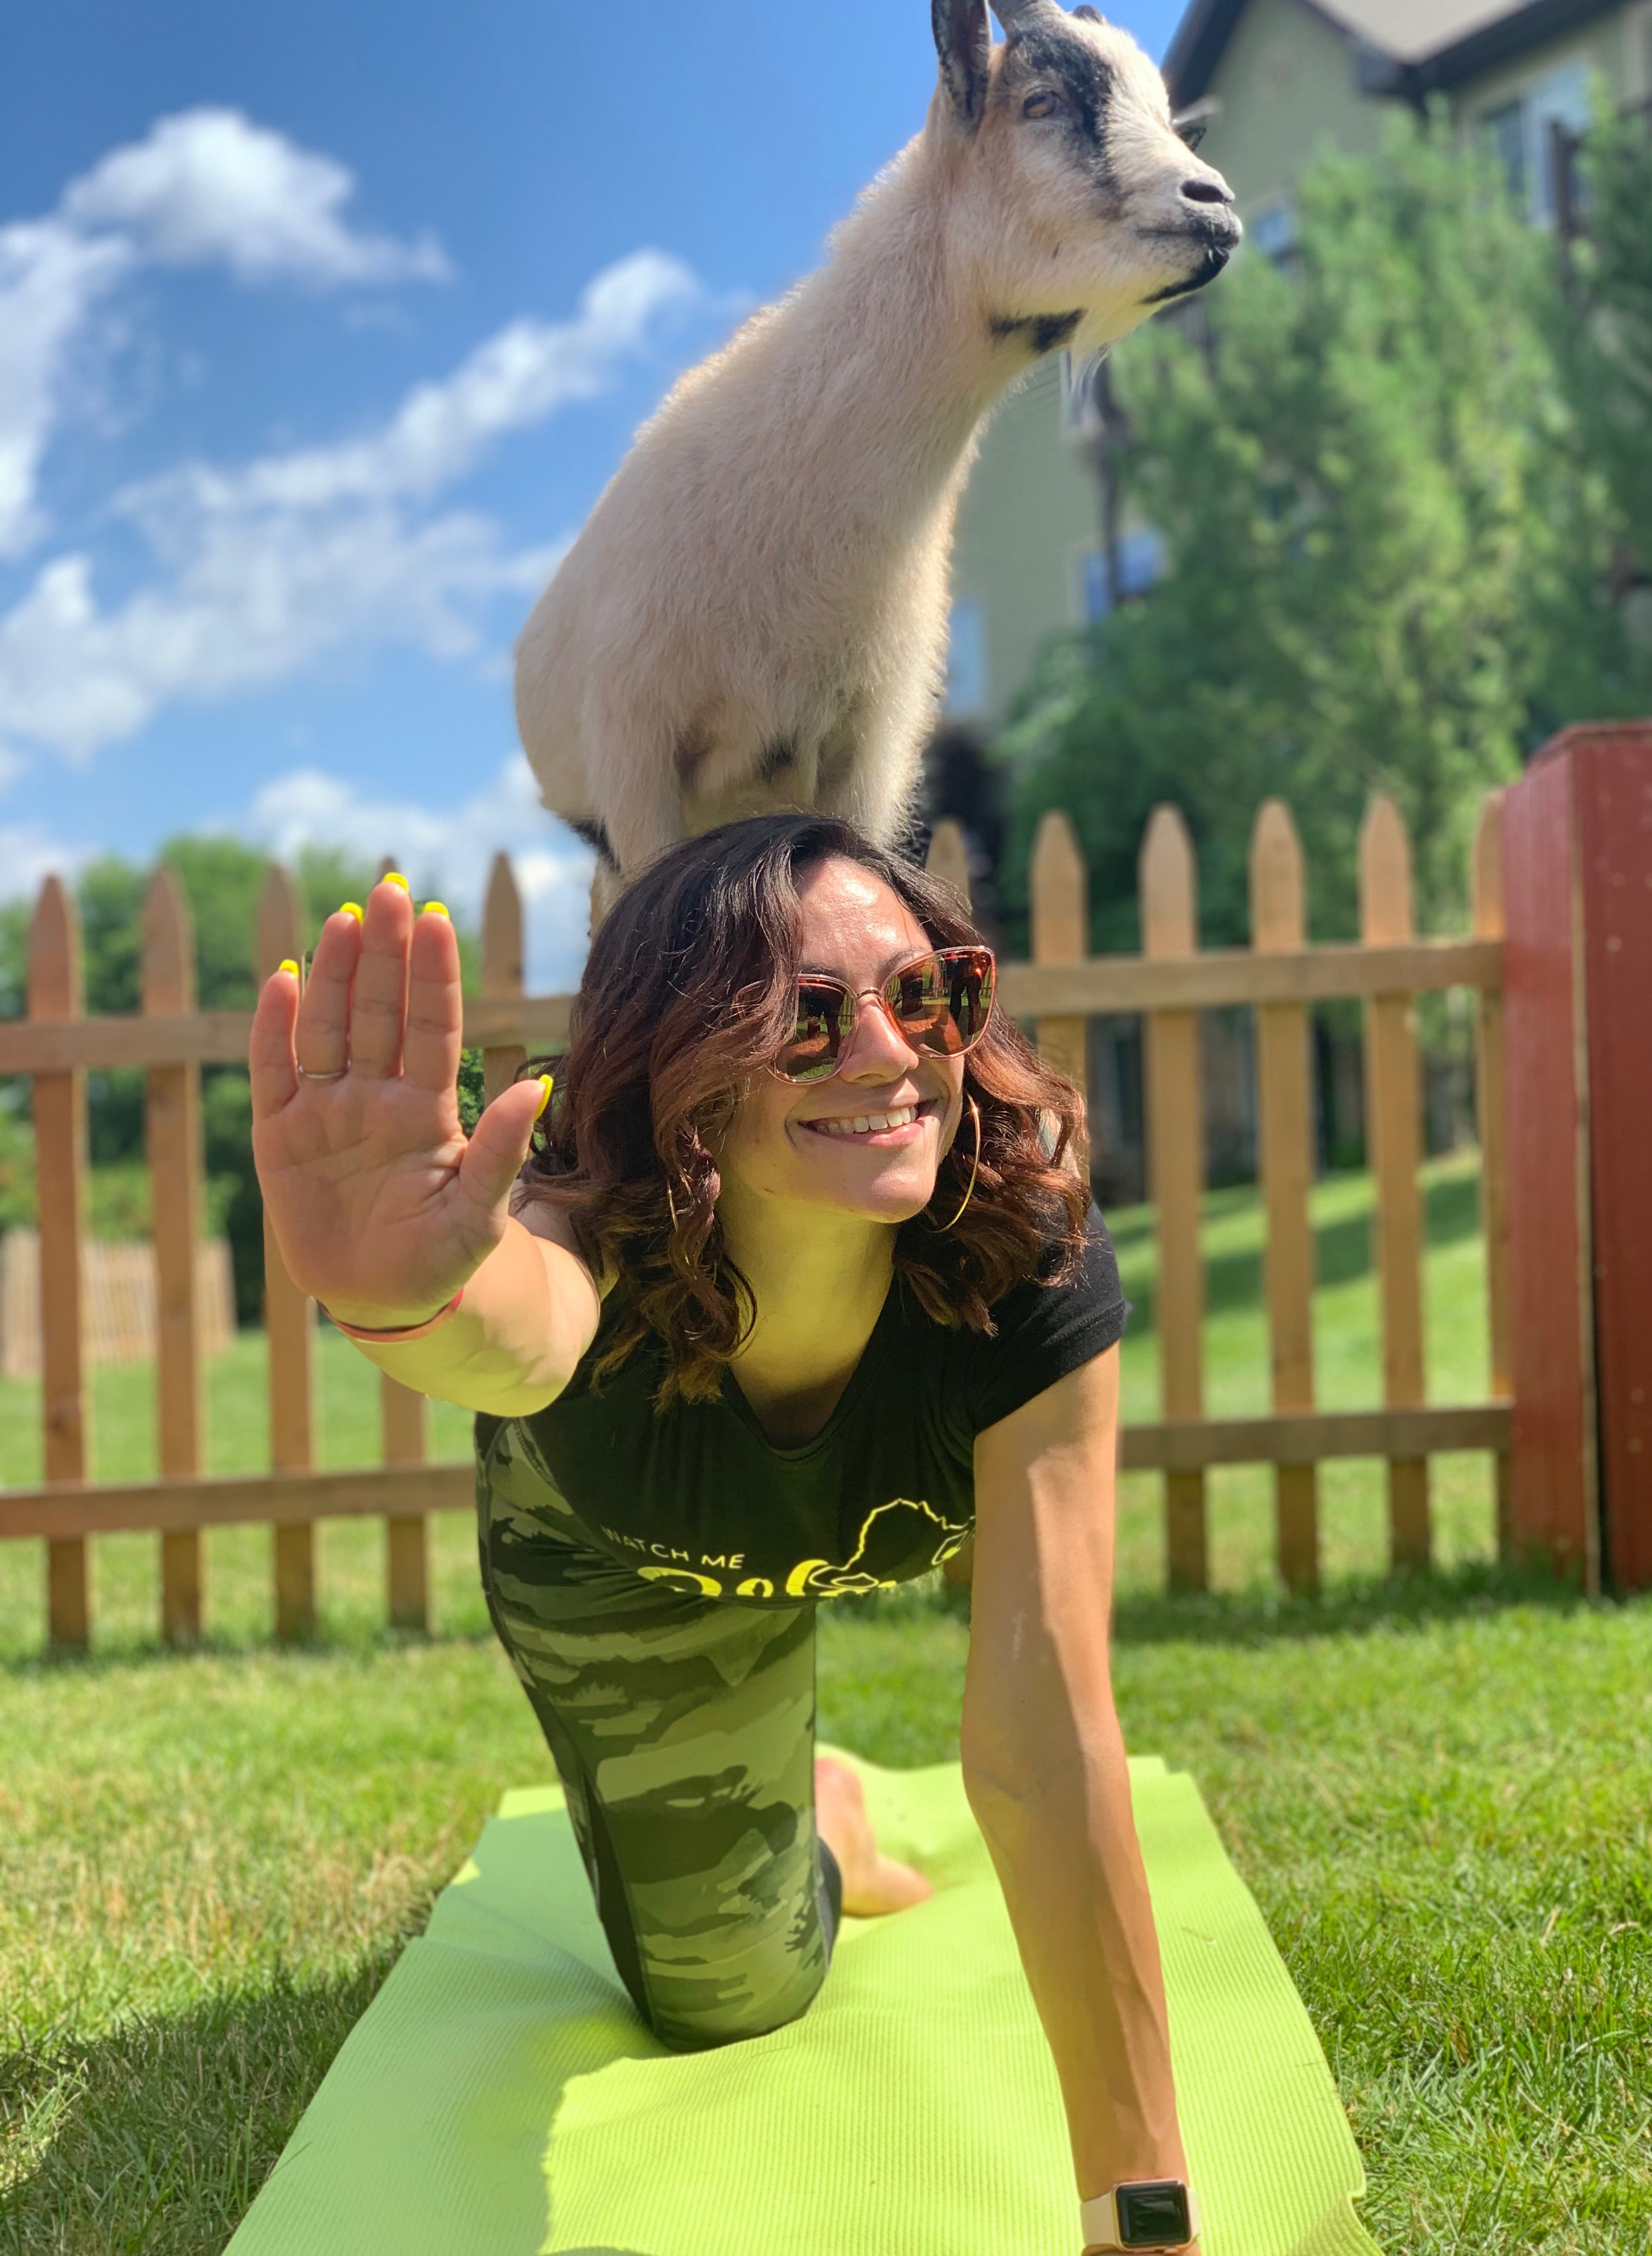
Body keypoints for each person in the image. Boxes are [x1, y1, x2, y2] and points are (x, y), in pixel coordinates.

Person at [249, 813, 1201, 2256]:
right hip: (626, 1557)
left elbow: (1047, 1730)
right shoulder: (588, 1208)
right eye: (805, 1020)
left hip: (799, 1528)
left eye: (925, 991)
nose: (888, 1054)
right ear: (682, 1059)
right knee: (723, 2000)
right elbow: (513, 1329)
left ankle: (797, 1780)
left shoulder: (1021, 1232)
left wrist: (1143, 2222)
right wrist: (399, 1301)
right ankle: (813, 1802)